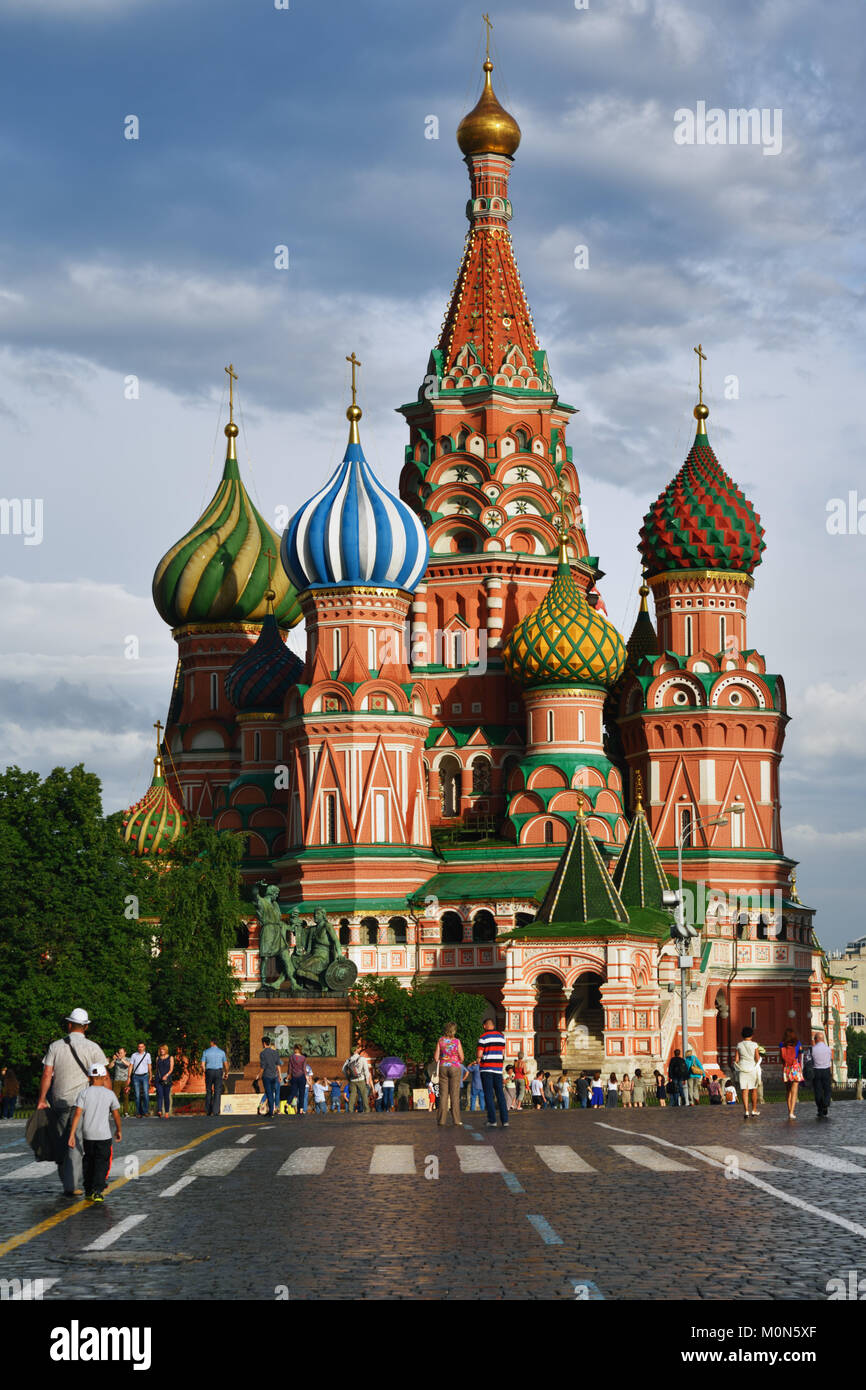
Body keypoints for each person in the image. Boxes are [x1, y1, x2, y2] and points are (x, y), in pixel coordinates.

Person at [37, 1008, 108, 1196]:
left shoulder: (55, 1046)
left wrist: (42, 1098)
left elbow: (46, 1074)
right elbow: (104, 1077)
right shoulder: (94, 1048)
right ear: (85, 1027)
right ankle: (72, 1184)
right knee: (76, 1142)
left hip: (60, 1100)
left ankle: (68, 1180)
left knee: (62, 1142)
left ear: (69, 1025)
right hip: (85, 1102)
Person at [67, 1064, 122, 1203]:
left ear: (89, 1077)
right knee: (102, 1162)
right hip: (104, 1135)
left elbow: (77, 1114)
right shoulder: (109, 1094)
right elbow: (116, 1115)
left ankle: (88, 1189)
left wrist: (72, 1134)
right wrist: (119, 1130)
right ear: (104, 1077)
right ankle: (98, 1190)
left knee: (88, 1161)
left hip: (88, 1135)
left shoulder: (83, 1094)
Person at [477, 1017, 508, 1128]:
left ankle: (492, 1120)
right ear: (493, 1025)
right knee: (500, 1094)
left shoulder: (483, 1037)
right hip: (498, 1069)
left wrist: (478, 1060)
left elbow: (479, 1054)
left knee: (489, 1094)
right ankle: (505, 1120)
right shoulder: (501, 1037)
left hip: (486, 1069)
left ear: (485, 1026)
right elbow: (503, 1052)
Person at [434, 1021, 465, 1127]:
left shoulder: (440, 1040)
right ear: (454, 1030)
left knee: (443, 1095)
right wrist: (456, 1060)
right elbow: (462, 1057)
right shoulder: (457, 1041)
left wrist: (443, 1059)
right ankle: (456, 1120)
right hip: (455, 1067)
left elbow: (436, 1058)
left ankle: (441, 1120)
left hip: (443, 1067)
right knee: (454, 1094)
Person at [734, 1027, 761, 1119]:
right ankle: (754, 1110)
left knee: (744, 1090)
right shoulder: (754, 1045)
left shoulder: (739, 1045)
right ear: (752, 1035)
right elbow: (757, 1058)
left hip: (742, 1068)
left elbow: (736, 1060)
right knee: (754, 1090)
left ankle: (746, 1111)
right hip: (752, 1068)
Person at [779, 1028, 803, 1119]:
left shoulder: (781, 1044)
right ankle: (792, 1112)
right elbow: (801, 1052)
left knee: (788, 1090)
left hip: (786, 1068)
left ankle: (789, 1110)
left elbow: (781, 1056)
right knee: (794, 1090)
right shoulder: (798, 1043)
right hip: (795, 1067)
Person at [809, 1030, 833, 1120]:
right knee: (827, 1090)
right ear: (822, 1039)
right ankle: (825, 1104)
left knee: (818, 1090)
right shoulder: (828, 1049)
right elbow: (830, 1060)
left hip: (816, 1071)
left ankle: (820, 1108)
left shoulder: (812, 1049)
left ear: (816, 1039)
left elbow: (808, 1061)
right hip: (826, 1070)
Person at [201, 1038, 229, 1116]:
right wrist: (226, 1073)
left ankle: (208, 1110)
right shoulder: (222, 1052)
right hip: (218, 1072)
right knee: (217, 1091)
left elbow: (202, 1064)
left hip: (209, 1071)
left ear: (212, 1043)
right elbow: (226, 1065)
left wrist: (205, 1072)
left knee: (209, 1090)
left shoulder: (206, 1052)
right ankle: (216, 1111)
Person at [258, 1036, 283, 1118]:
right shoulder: (275, 1052)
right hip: (274, 1076)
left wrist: (259, 1074)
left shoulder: (263, 1053)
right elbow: (278, 1064)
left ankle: (271, 1111)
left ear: (264, 1043)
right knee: (272, 1093)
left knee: (269, 1093)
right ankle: (272, 1110)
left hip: (267, 1076)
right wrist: (279, 1075)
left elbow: (263, 1066)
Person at [343, 1047, 372, 1113]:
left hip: (352, 1080)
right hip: (361, 1079)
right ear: (356, 1051)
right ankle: (367, 1110)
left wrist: (348, 1077)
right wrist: (367, 1080)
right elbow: (366, 1070)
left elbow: (343, 1070)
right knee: (364, 1095)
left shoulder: (348, 1060)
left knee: (352, 1095)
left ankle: (350, 1110)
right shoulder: (362, 1058)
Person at [129, 1042, 152, 1117]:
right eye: (139, 1047)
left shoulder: (147, 1055)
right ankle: (138, 1112)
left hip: (145, 1076)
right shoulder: (134, 1055)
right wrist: (129, 1076)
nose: (140, 1048)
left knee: (146, 1094)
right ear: (137, 1047)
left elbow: (149, 1066)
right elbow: (131, 1066)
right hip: (136, 1076)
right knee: (137, 1095)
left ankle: (145, 1111)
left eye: (142, 1047)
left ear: (144, 1047)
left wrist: (150, 1076)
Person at [109, 1047, 131, 1118]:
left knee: (126, 1097)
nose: (120, 1054)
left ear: (125, 1053)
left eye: (121, 1052)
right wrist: (114, 1060)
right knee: (115, 1097)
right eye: (119, 1052)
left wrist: (121, 1059)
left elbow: (128, 1065)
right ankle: (113, 1112)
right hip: (117, 1080)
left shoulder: (128, 1059)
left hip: (125, 1080)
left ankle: (126, 1112)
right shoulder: (116, 1060)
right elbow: (110, 1067)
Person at [154, 1045, 174, 1119]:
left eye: (163, 1049)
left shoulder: (170, 1058)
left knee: (166, 1096)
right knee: (159, 1095)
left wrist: (166, 1075)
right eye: (161, 1049)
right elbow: (156, 1069)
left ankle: (166, 1112)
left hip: (167, 1079)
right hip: (158, 1079)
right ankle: (159, 1110)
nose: (162, 1051)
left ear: (166, 1050)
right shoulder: (157, 1058)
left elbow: (171, 1069)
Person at [287, 1045, 308, 1116]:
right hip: (301, 1076)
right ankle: (301, 1109)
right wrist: (307, 1078)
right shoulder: (303, 1058)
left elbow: (289, 1068)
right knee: (302, 1093)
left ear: (295, 1049)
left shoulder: (291, 1057)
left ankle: (287, 1103)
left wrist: (289, 1075)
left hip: (294, 1077)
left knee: (293, 1092)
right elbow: (304, 1069)